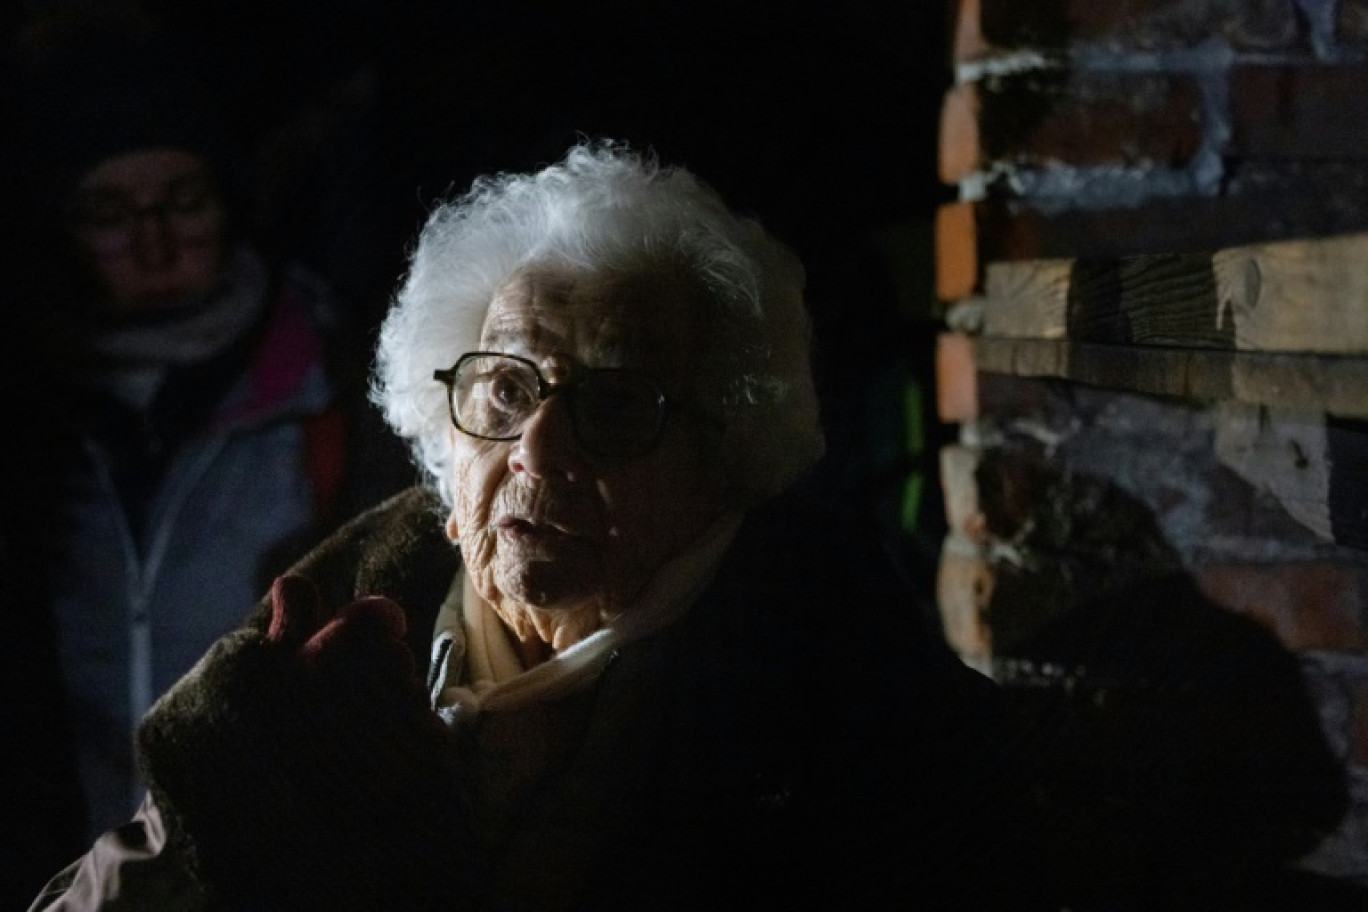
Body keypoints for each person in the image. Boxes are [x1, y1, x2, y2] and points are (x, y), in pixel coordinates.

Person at [30, 140, 1056, 912]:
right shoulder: (334, 632)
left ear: (723, 451)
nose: (539, 453)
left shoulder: (850, 703)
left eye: (615, 405)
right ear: (447, 420)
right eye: (506, 390)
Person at [5, 6, 410, 863]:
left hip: (260, 864)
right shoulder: (35, 414)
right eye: (109, 212)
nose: (155, 242)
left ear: (228, 201)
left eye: (183, 200)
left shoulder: (334, 387)